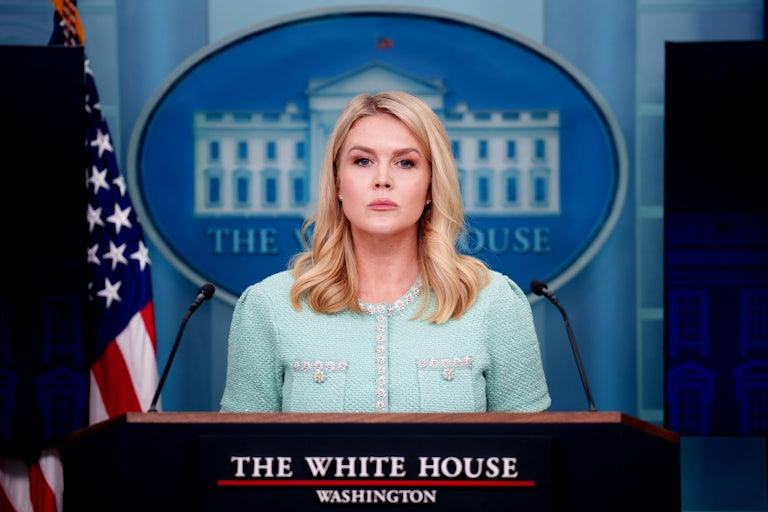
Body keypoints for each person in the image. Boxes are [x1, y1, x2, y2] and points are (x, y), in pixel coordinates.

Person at [219, 91, 551, 413]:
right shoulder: (269, 305)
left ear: (431, 186)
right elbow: (239, 457)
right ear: (336, 183)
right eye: (362, 161)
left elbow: (531, 455)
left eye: (406, 163)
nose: (382, 180)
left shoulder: (494, 302)